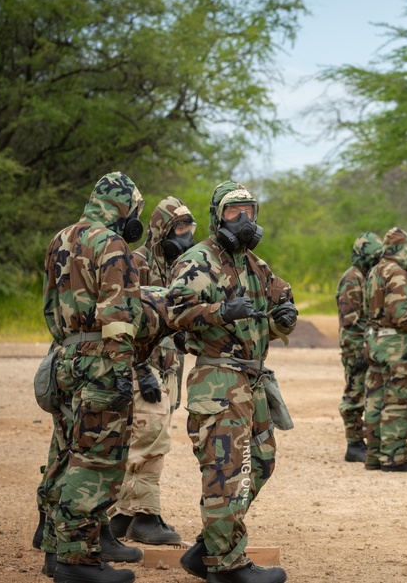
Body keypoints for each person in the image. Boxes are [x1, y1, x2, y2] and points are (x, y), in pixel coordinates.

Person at [167, 180, 296, 583]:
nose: (243, 220)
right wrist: (221, 311)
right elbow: (173, 312)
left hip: (252, 382)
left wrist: (282, 319)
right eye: (232, 212)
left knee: (261, 461)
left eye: (249, 211)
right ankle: (226, 565)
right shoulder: (197, 260)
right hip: (218, 380)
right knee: (227, 473)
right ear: (216, 216)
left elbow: (278, 302)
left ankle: (209, 547)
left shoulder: (254, 264)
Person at [39, 172, 145, 583]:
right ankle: (77, 561)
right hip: (101, 359)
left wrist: (66, 346)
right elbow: (119, 316)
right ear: (123, 206)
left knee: (65, 452)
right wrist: (121, 370)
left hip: (65, 354)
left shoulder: (60, 238)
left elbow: (49, 305)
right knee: (97, 458)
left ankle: (54, 549)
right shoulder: (112, 244)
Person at [109, 196, 196, 545]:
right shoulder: (136, 264)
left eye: (190, 228)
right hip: (143, 368)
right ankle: (145, 516)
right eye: (179, 228)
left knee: (149, 438)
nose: (186, 236)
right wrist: (139, 367)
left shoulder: (181, 268)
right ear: (161, 230)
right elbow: (122, 319)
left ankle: (123, 515)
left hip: (169, 368)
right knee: (148, 441)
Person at [363, 227, 407, 472]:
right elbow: (399, 313)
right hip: (395, 344)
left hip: (374, 340)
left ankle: (374, 455)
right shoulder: (397, 272)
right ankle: (394, 456)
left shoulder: (374, 271)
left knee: (375, 398)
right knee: (398, 397)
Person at [336, 231, 384, 463]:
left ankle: (363, 439)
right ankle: (354, 443)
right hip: (355, 345)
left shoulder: (365, 276)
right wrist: (361, 350)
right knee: (355, 391)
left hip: (364, 343)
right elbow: (352, 320)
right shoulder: (353, 278)